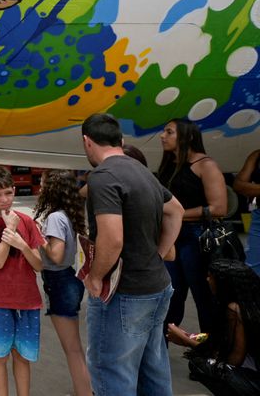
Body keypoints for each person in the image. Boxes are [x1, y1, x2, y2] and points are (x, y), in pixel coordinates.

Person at [80, 113, 184, 396]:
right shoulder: (142, 171)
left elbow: (112, 239)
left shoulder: (102, 176)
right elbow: (176, 210)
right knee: (154, 370)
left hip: (125, 293)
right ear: (121, 141)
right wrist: (158, 254)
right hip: (157, 286)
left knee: (111, 373)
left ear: (87, 142)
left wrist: (95, 277)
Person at [0, 165, 45, 396]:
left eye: (8, 193)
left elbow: (39, 265)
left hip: (27, 298)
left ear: (14, 190)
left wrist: (22, 244)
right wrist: (9, 231)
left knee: (23, 356)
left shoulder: (27, 220)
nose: (4, 199)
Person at [158, 118, 228, 333]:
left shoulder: (206, 165)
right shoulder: (169, 165)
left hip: (196, 238)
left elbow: (219, 208)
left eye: (169, 132)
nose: (162, 136)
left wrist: (176, 215)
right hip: (172, 236)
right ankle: (161, 348)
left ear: (187, 136)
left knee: (203, 297)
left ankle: (212, 355)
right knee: (170, 296)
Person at [32, 170, 91, 396]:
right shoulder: (69, 214)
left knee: (72, 349)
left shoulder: (55, 218)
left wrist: (39, 236)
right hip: (68, 279)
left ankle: (83, 393)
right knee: (74, 347)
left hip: (59, 280)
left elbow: (55, 255)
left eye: (43, 181)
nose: (40, 184)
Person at [167, 259, 260, 396]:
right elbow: (219, 339)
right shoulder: (250, 302)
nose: (207, 279)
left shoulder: (234, 309)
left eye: (211, 277)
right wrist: (190, 336)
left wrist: (186, 341)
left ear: (224, 284)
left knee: (200, 365)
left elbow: (233, 360)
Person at [233, 148, 260, 275]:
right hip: (258, 217)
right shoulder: (256, 155)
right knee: (254, 269)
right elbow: (239, 185)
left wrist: (253, 189)